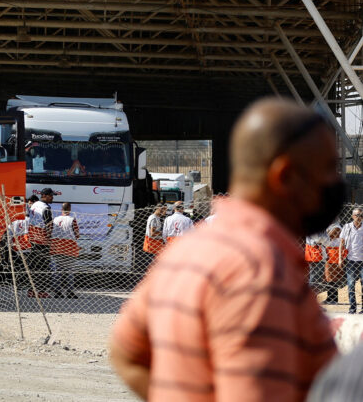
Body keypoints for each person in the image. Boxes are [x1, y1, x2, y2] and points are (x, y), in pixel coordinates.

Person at [110, 99, 342, 401]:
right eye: (327, 169)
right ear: (285, 176)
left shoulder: (188, 251)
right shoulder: (260, 273)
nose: (335, 183)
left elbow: (126, 354)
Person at [28, 188, 54, 298]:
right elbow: (49, 226)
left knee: (34, 267)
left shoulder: (34, 205)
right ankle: (42, 291)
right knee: (43, 267)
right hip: (42, 241)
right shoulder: (46, 208)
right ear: (45, 195)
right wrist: (49, 240)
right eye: (51, 195)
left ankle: (31, 290)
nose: (52, 198)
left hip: (32, 239)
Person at [50, 202, 80, 299]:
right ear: (70, 209)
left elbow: (50, 231)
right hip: (69, 249)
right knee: (69, 272)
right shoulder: (72, 220)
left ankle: (57, 292)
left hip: (56, 248)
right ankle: (70, 292)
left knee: (57, 272)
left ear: (61, 209)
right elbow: (77, 234)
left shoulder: (55, 219)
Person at [342, 208, 363, 314]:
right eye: (358, 215)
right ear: (353, 216)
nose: (360, 217)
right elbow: (342, 241)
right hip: (351, 260)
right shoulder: (347, 227)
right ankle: (352, 308)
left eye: (361, 215)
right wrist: (340, 258)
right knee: (350, 284)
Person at [321, 224, 345, 305]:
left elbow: (329, 237)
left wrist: (324, 235)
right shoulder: (329, 227)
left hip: (334, 254)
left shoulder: (337, 227)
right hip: (329, 254)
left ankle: (333, 298)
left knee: (332, 278)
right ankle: (330, 298)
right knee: (328, 278)